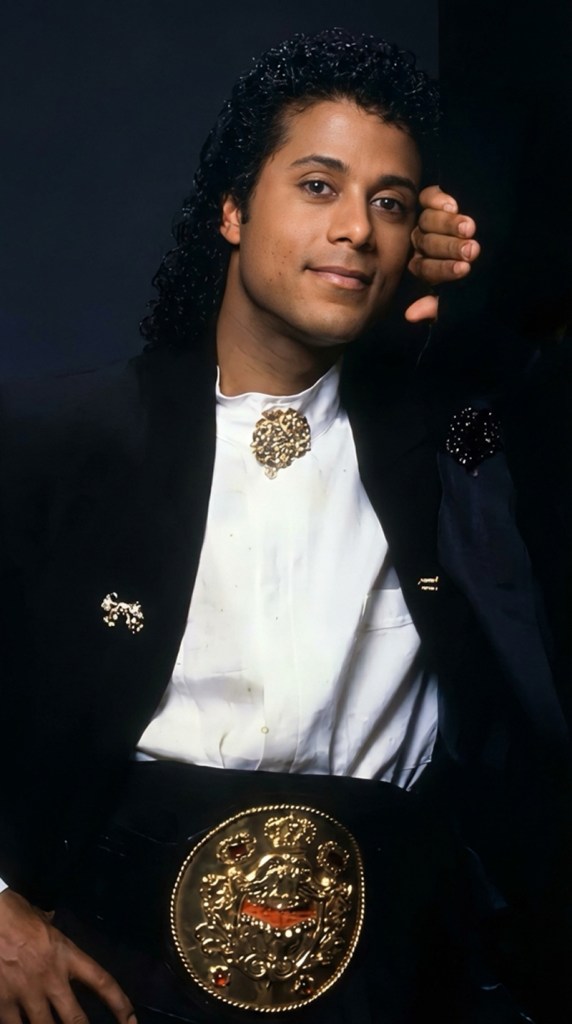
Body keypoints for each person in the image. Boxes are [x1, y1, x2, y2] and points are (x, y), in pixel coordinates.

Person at [0, 27, 568, 1024]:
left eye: (389, 202)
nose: (355, 228)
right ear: (231, 209)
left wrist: (487, 287)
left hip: (395, 984)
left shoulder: (453, 450)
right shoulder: (63, 439)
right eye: (317, 185)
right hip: (115, 976)